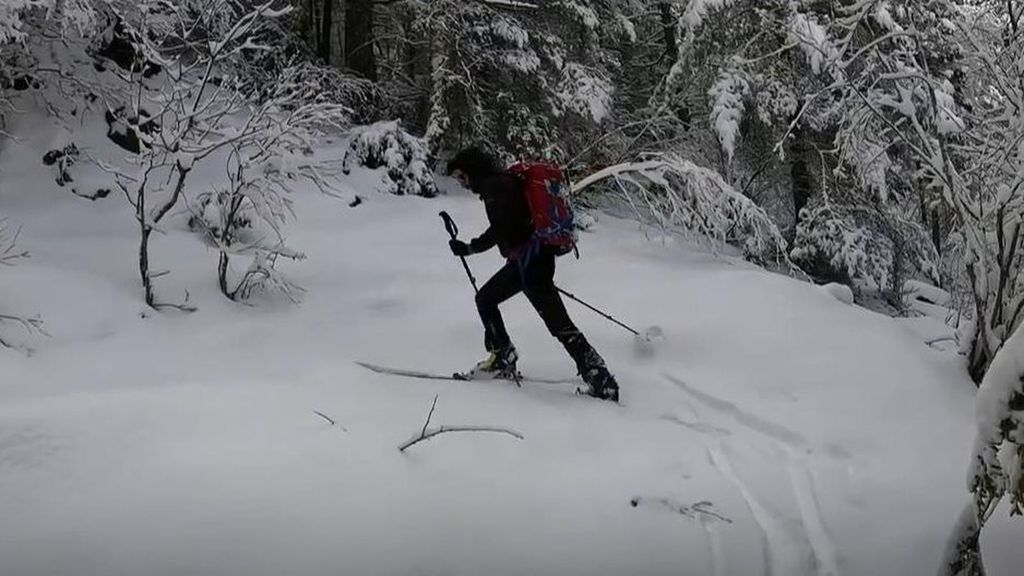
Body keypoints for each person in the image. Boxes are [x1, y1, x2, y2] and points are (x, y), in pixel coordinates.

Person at [446, 146, 620, 402]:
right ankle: (503, 355)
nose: (462, 183)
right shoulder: (501, 183)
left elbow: (500, 229)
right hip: (529, 261)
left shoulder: (494, 187)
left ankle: (601, 379)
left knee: (557, 323)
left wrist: (470, 248)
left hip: (531, 262)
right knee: (487, 299)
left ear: (472, 170)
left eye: (462, 177)